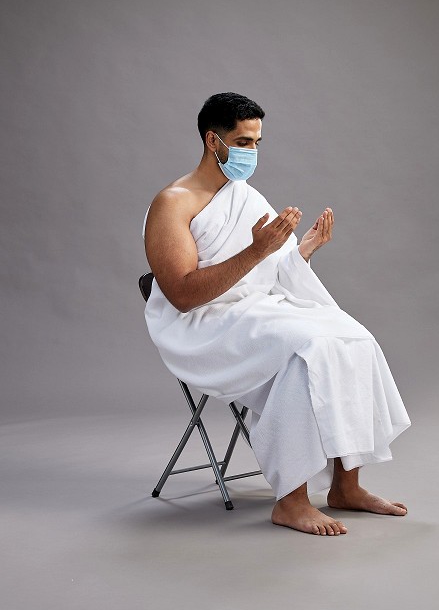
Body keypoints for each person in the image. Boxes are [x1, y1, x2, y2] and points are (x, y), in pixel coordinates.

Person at [142, 92, 411, 536]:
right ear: (212, 140)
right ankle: (290, 501)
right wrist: (256, 250)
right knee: (305, 349)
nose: (252, 152)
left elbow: (270, 274)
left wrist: (301, 251)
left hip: (255, 310)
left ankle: (346, 486)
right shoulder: (173, 202)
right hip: (202, 325)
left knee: (354, 337)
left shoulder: (245, 196)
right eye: (243, 142)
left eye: (257, 142)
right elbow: (183, 296)